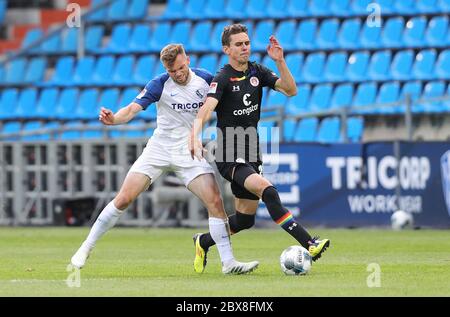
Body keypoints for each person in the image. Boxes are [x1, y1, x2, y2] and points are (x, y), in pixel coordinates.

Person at [70, 44, 259, 275]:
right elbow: (131, 109)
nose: (177, 74)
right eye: (172, 71)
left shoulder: (206, 80)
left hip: (189, 149)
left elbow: (226, 104)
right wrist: (114, 119)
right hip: (159, 147)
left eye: (180, 68)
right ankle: (85, 248)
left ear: (187, 60)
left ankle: (228, 263)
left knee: (215, 202)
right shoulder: (159, 84)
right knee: (124, 198)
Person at [189, 24, 330, 273]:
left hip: (252, 150)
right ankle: (309, 243)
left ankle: (203, 241)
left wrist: (280, 61)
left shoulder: (258, 71)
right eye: (238, 44)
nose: (245, 48)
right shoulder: (222, 78)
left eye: (247, 43)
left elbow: (291, 90)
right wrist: (194, 136)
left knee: (245, 220)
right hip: (228, 152)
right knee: (269, 191)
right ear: (226, 49)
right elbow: (206, 109)